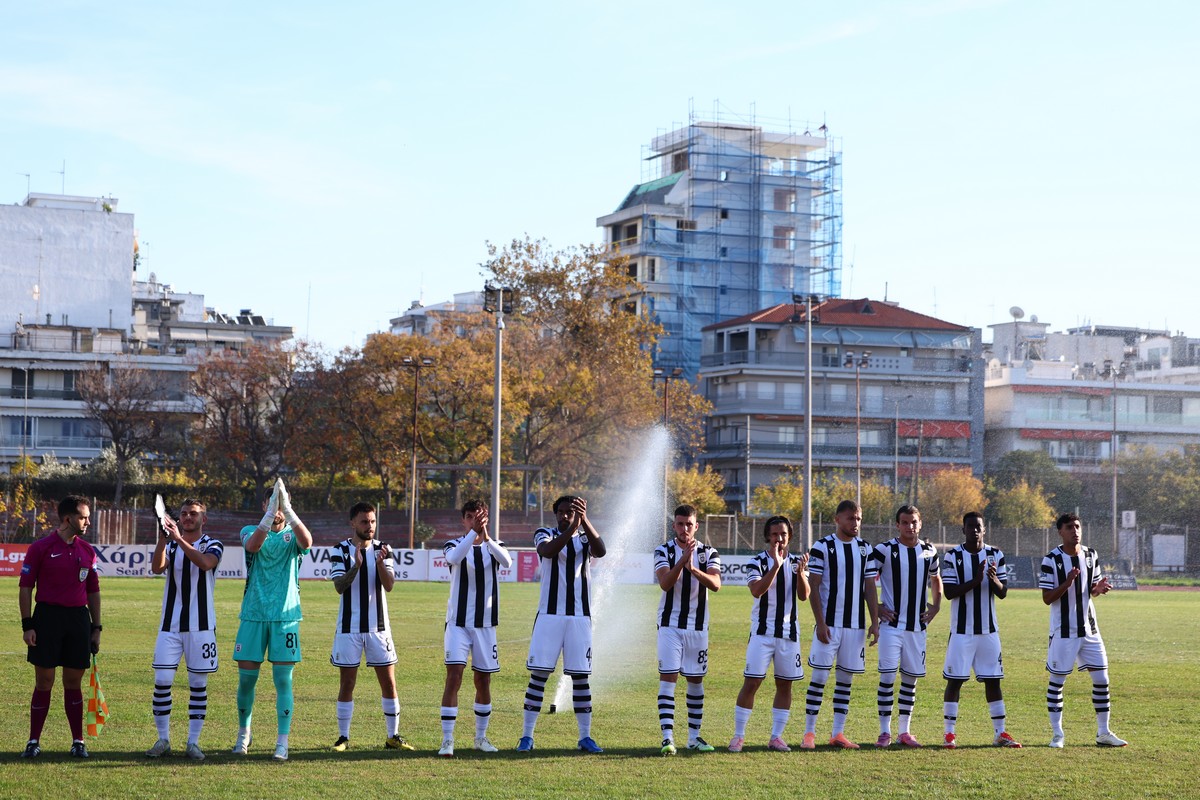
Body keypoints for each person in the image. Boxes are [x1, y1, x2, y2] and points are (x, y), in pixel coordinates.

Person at [518, 495, 607, 754]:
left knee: (580, 678)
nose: (566, 515)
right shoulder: (544, 533)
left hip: (579, 618)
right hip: (549, 616)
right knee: (539, 676)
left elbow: (601, 550)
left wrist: (584, 521)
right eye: (562, 511)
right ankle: (526, 736)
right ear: (555, 514)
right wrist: (572, 528)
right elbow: (547, 551)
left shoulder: (585, 539)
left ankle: (585, 737)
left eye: (571, 512)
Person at [232, 478, 313, 761]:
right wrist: (270, 516)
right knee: (246, 681)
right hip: (253, 615)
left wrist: (287, 511)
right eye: (272, 504)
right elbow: (254, 546)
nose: (277, 509)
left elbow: (308, 542)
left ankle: (282, 741)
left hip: (285, 617)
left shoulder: (293, 535)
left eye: (281, 504)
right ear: (264, 506)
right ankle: (244, 733)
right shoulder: (249, 530)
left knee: (283, 680)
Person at [18, 495, 102, 759]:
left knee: (73, 682)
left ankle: (78, 741)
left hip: (78, 621)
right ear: (68, 518)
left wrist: (96, 627)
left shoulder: (87, 551)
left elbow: (93, 591)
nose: (87, 522)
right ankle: (33, 741)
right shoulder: (40, 548)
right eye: (83, 517)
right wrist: (27, 625)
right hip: (47, 619)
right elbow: (25, 588)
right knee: (44, 682)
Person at [329, 502, 413, 753]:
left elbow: (389, 585)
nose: (370, 526)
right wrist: (356, 565)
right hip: (349, 628)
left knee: (389, 683)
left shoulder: (384, 549)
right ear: (353, 523)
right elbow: (339, 587)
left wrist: (378, 564)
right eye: (365, 522)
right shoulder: (339, 550)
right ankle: (343, 737)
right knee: (347, 683)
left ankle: (392, 736)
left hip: (379, 628)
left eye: (373, 521)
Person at [145, 499, 225, 761]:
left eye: (193, 514)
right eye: (184, 513)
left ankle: (193, 742)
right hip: (169, 625)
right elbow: (157, 568)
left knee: (198, 685)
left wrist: (178, 539)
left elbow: (205, 563)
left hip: (201, 626)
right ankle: (163, 739)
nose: (188, 517)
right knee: (162, 682)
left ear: (204, 519)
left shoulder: (213, 544)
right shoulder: (170, 544)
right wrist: (162, 539)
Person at [1040, 513, 1127, 748]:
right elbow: (1047, 598)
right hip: (1063, 631)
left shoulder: (1090, 555)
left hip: (1090, 630)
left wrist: (1098, 589)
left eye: (1077, 526)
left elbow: (1091, 591)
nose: (1075, 531)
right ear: (1060, 531)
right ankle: (1057, 735)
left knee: (1102, 679)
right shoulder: (1051, 560)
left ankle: (1103, 733)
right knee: (1057, 682)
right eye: (1069, 527)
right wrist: (1066, 583)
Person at [801, 499, 879, 750]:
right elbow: (813, 587)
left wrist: (874, 622)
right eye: (850, 518)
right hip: (829, 625)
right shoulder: (822, 547)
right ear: (837, 520)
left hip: (855, 627)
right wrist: (820, 623)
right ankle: (809, 733)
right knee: (819, 678)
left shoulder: (865, 549)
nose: (855, 523)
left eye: (858, 518)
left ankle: (838, 733)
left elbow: (869, 587)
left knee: (845, 681)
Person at [940, 511, 1021, 749]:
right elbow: (949, 592)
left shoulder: (996, 554)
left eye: (979, 527)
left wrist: (993, 580)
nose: (975, 531)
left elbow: (1003, 592)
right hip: (961, 631)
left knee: (993, 681)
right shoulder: (953, 556)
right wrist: (976, 580)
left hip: (988, 631)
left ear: (984, 530)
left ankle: (1000, 733)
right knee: (955, 681)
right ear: (963, 529)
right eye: (970, 526)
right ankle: (949, 734)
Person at [729, 515, 808, 753]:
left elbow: (804, 596)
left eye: (783, 534)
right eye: (774, 534)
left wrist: (801, 573)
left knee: (785, 685)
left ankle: (776, 736)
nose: (779, 539)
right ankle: (738, 736)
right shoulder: (757, 562)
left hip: (788, 633)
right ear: (767, 536)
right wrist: (775, 565)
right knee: (752, 682)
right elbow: (756, 591)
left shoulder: (797, 562)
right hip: (762, 634)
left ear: (789, 536)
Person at [438, 500, 512, 757]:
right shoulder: (454, 544)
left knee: (483, 681)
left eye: (478, 517)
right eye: (469, 517)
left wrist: (486, 536)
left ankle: (480, 738)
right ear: (463, 520)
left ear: (486, 518)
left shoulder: (496, 546)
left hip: (485, 625)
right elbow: (454, 558)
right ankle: (447, 740)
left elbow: (507, 562)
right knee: (454, 677)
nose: (473, 521)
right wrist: (473, 533)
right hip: (457, 624)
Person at [653, 504, 722, 755]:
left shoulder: (709, 552)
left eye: (689, 524)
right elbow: (665, 583)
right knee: (668, 678)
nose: (685, 529)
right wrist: (683, 561)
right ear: (674, 526)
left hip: (698, 627)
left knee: (695, 680)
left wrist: (693, 569)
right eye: (680, 524)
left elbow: (715, 584)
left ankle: (693, 738)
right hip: (670, 625)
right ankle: (667, 738)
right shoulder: (663, 550)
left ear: (696, 526)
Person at [870, 504, 941, 748]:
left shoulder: (929, 551)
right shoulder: (885, 550)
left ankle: (905, 732)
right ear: (897, 525)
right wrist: (877, 608)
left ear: (920, 524)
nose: (910, 526)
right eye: (905, 522)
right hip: (891, 626)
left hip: (917, 628)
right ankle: (884, 732)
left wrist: (936, 606)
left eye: (914, 522)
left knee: (911, 680)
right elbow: (866, 580)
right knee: (888, 677)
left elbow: (936, 578)